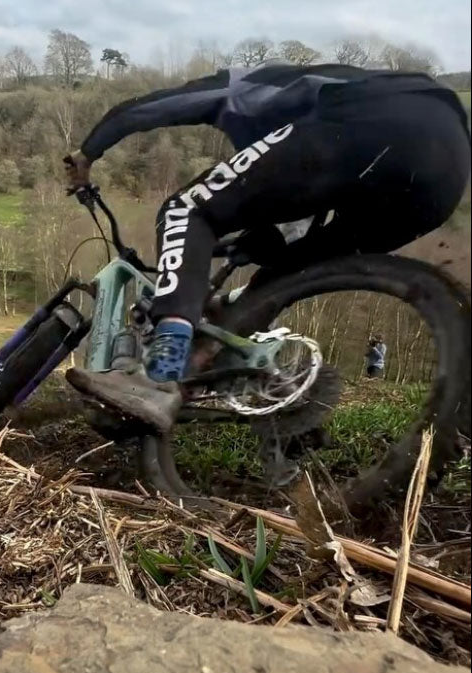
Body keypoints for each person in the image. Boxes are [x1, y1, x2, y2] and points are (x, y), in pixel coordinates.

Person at [64, 62, 470, 432]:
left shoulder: (255, 84)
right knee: (284, 274)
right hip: (444, 178)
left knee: (185, 210)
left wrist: (88, 151)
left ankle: (162, 371)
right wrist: (239, 265)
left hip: (377, 121)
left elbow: (151, 108)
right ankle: (202, 364)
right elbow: (293, 227)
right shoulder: (301, 145)